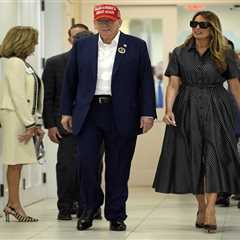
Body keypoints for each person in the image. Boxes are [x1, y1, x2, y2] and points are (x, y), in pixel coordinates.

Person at [61, 4, 156, 231]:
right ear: (94, 23)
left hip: (122, 113)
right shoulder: (82, 46)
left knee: (118, 166)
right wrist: (66, 111)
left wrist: (148, 113)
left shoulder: (136, 46)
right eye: (100, 21)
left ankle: (116, 214)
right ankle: (88, 209)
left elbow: (145, 81)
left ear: (119, 22)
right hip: (88, 112)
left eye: (109, 21)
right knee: (86, 164)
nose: (104, 25)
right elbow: (70, 81)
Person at [153, 11, 240, 233]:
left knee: (214, 157)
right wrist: (168, 109)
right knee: (192, 159)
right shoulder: (180, 53)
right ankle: (201, 206)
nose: (197, 28)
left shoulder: (226, 53)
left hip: (218, 107)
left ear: (213, 28)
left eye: (203, 24)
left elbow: (234, 86)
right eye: (194, 23)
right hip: (187, 107)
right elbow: (173, 84)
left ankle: (210, 208)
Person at [42, 24, 102, 220]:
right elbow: (48, 97)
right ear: (70, 40)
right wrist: (50, 125)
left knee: (93, 166)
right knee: (67, 167)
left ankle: (90, 206)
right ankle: (65, 207)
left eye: (83, 37)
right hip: (65, 125)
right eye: (76, 37)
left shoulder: (101, 61)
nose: (79, 41)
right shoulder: (54, 63)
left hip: (94, 124)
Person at [0, 26, 44, 222]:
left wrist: (36, 121)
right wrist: (29, 124)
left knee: (18, 163)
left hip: (23, 117)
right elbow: (18, 95)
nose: (35, 45)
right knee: (14, 161)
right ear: (23, 41)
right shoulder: (14, 63)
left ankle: (12, 203)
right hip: (14, 117)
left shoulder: (24, 64)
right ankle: (14, 205)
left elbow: (32, 96)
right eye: (33, 41)